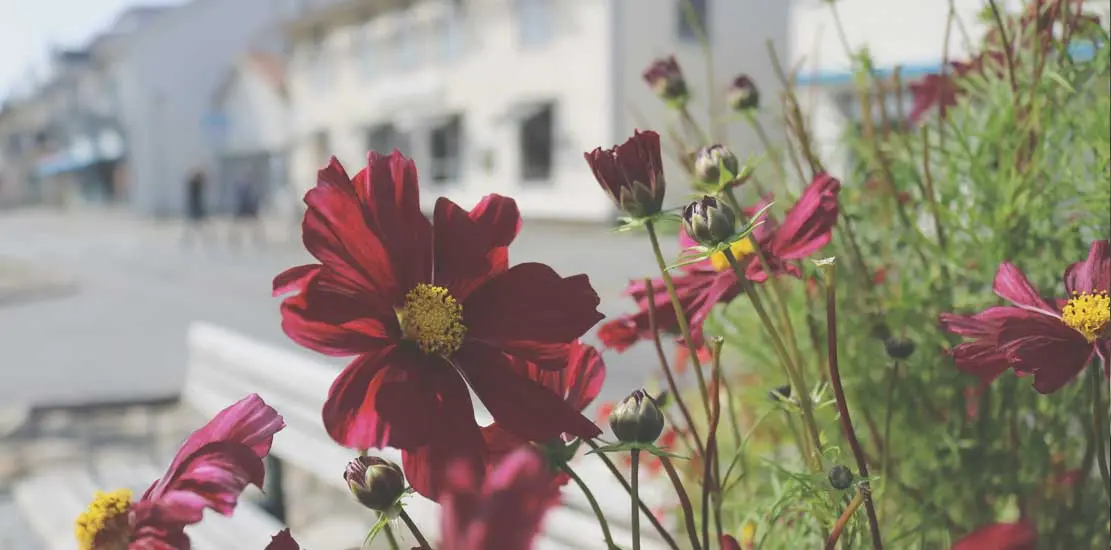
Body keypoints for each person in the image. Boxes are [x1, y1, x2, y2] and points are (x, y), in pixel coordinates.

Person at [229, 171, 266, 248]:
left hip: (248, 209)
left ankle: (257, 240)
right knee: (237, 226)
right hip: (244, 208)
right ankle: (235, 240)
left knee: (255, 226)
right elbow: (244, 199)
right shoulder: (244, 186)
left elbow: (252, 198)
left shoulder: (249, 186)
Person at [182, 168, 209, 247]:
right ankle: (188, 239)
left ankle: (189, 239)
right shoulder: (194, 183)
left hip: (196, 205)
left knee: (196, 224)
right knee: (194, 224)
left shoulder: (195, 183)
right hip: (195, 205)